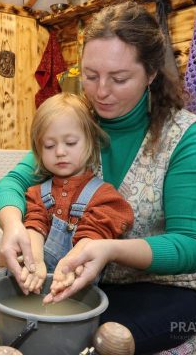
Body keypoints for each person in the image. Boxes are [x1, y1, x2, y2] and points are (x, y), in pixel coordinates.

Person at [0, 1, 196, 354]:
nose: (100, 92)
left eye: (118, 79)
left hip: (174, 292)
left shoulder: (187, 139)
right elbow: (13, 183)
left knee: (99, 342)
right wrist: (13, 227)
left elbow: (192, 246)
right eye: (89, 75)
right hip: (93, 283)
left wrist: (110, 249)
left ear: (150, 74)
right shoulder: (77, 124)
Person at [19, 93, 134, 294]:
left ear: (90, 143)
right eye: (49, 145)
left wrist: (69, 265)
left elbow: (94, 234)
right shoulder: (37, 192)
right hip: (37, 284)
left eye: (70, 143)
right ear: (38, 150)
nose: (60, 152)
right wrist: (35, 260)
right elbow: (34, 225)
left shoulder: (104, 195)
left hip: (79, 290)